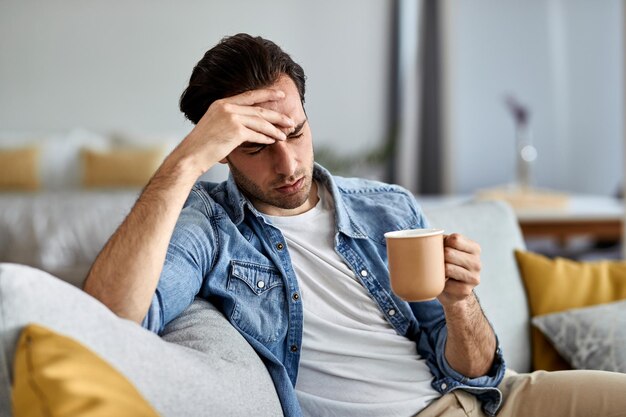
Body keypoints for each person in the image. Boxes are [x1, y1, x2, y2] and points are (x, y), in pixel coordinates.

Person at [83, 33, 626, 417]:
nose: (288, 165)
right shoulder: (208, 224)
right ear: (221, 153)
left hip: (496, 399)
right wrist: (183, 163)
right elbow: (112, 317)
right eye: (255, 147)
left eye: (295, 132)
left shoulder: (386, 206)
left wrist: (462, 303)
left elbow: (475, 372)